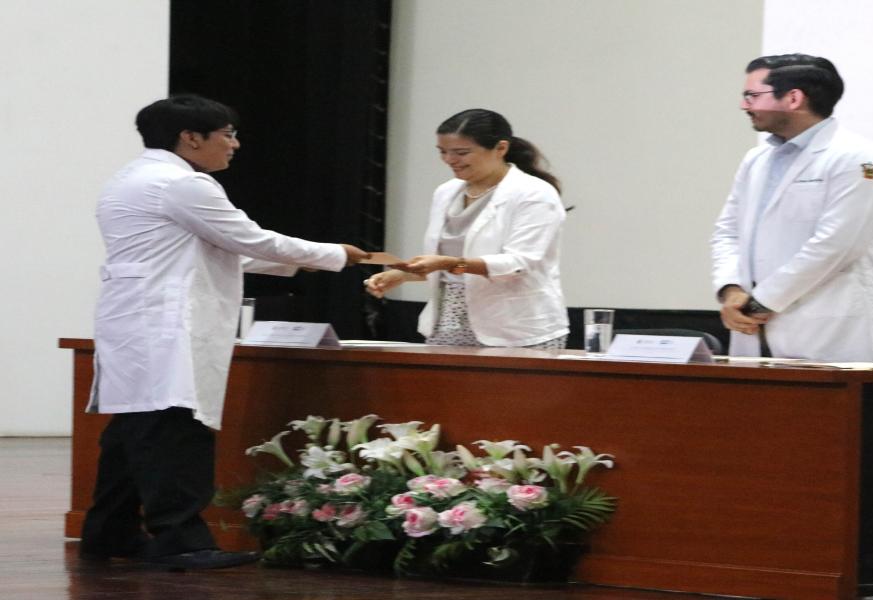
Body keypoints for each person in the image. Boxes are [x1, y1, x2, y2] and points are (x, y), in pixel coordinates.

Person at [80, 94, 369, 569]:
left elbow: (217, 248)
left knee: (133, 432)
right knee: (175, 432)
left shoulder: (132, 177)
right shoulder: (183, 184)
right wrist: (333, 254)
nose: (234, 145)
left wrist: (302, 262)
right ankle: (181, 542)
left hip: (137, 321)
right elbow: (249, 239)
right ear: (190, 138)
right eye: (227, 135)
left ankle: (108, 532)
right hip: (167, 325)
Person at [711, 54, 873, 362]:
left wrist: (759, 303)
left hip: (825, 335)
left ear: (794, 98)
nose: (745, 105)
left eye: (753, 95)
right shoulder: (756, 159)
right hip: (750, 328)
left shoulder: (859, 159)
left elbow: (837, 245)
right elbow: (727, 232)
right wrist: (732, 291)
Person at [365, 109, 569, 349]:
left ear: (500, 148)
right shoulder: (446, 192)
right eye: (442, 152)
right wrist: (403, 275)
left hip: (517, 329)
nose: (450, 160)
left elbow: (517, 265)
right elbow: (448, 265)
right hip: (448, 322)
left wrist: (447, 263)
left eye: (461, 152)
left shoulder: (534, 194)